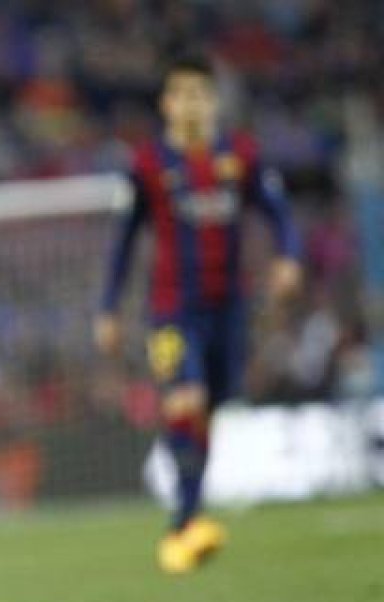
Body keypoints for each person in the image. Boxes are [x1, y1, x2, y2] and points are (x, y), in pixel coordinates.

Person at [94, 53, 303, 574]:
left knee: (206, 410)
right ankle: (183, 524)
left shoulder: (241, 155)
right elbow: (122, 241)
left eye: (199, 94)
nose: (190, 103)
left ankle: (187, 517)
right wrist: (108, 309)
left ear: (213, 100)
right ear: (166, 104)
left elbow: (278, 213)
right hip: (170, 309)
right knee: (185, 399)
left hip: (228, 310)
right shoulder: (147, 165)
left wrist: (288, 259)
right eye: (180, 94)